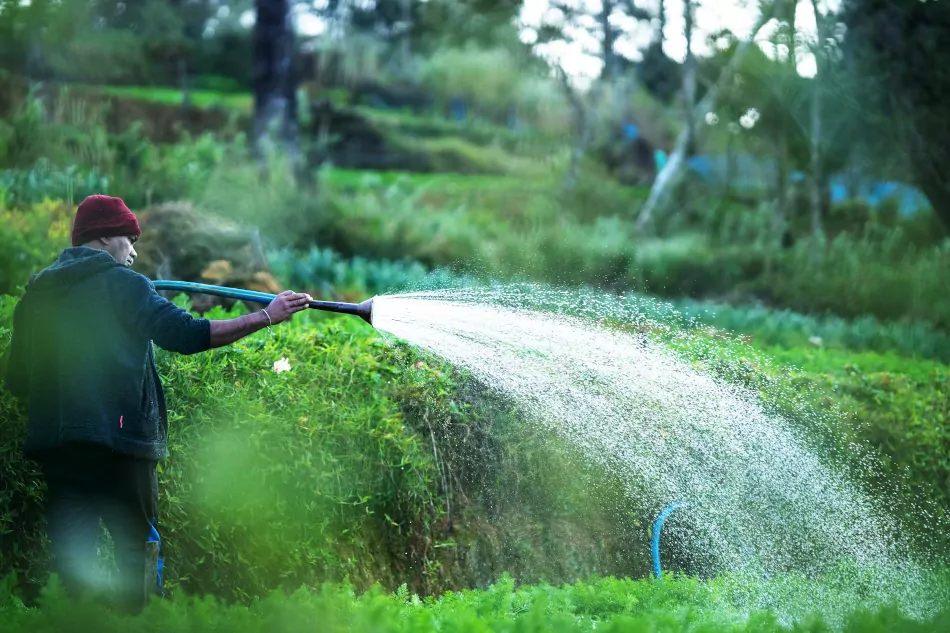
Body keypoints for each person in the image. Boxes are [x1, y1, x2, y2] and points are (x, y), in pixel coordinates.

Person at [2, 194, 312, 613]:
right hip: (122, 449)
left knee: (73, 565)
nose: (134, 250)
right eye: (129, 239)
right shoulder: (127, 286)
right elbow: (188, 334)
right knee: (138, 556)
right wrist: (267, 316)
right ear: (105, 237)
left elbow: (17, 379)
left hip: (60, 453)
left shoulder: (37, 294)